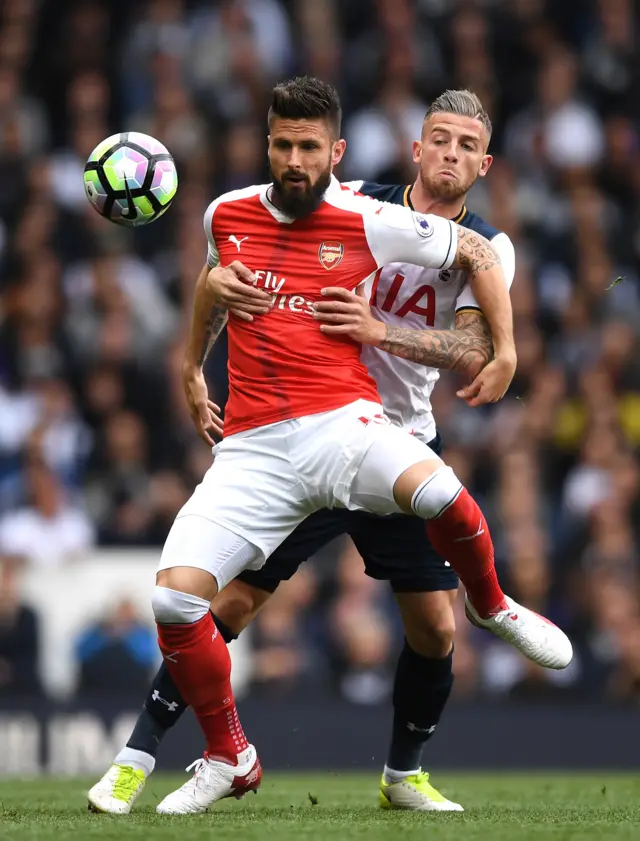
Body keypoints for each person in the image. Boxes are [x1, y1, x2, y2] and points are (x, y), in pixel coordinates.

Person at [89, 78, 571, 816]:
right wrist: (197, 350)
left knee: (434, 626)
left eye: (467, 145)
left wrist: (388, 333)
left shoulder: (485, 246)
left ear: (485, 166)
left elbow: (474, 345)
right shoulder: (349, 200)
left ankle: (402, 775)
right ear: (416, 148)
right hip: (296, 432)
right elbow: (242, 254)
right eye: (439, 138)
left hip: (394, 436)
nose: (450, 152)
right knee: (232, 600)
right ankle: (139, 754)